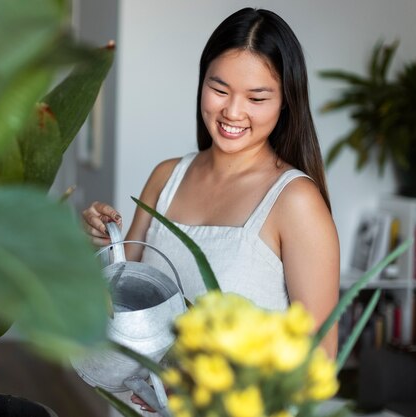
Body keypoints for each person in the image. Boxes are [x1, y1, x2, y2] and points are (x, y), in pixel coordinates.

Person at [82, 7, 340, 414]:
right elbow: (119, 299)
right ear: (202, 81)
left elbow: (319, 360)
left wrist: (201, 389)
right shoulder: (166, 177)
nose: (233, 112)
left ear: (286, 101)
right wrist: (99, 242)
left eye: (257, 97)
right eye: (219, 89)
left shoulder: (295, 202)